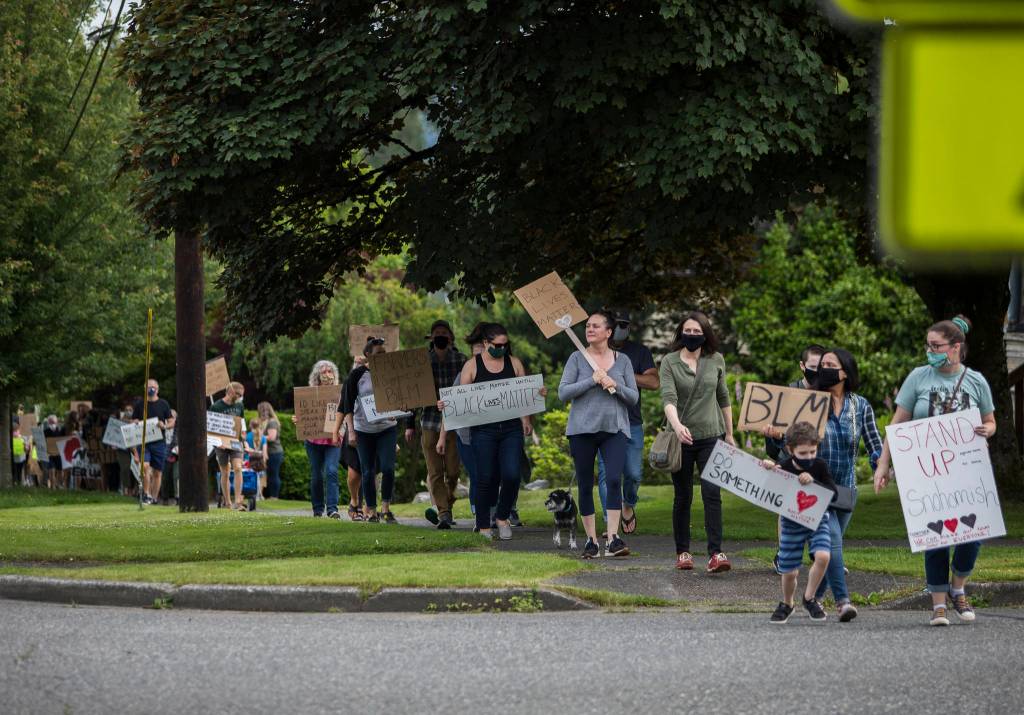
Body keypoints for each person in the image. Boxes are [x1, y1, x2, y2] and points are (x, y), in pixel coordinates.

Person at [874, 315, 996, 626]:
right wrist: (883, 463)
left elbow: (991, 421)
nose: (930, 351)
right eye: (928, 345)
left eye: (936, 345)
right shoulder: (918, 377)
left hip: (967, 472)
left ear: (955, 347)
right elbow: (897, 424)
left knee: (972, 535)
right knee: (935, 536)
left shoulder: (976, 381)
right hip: (927, 472)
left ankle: (958, 587)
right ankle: (939, 604)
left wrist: (987, 430)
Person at [769, 348, 881, 621]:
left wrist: (881, 467)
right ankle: (843, 602)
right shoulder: (809, 403)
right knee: (832, 544)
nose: (824, 368)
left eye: (831, 364)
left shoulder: (860, 405)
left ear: (845, 372)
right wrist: (774, 438)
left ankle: (814, 600)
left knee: (833, 546)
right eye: (823, 365)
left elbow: (874, 443)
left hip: (846, 489)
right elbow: (790, 443)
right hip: (816, 488)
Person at [559, 310, 639, 558]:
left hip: (614, 429)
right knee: (585, 484)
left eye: (595, 326)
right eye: (587, 326)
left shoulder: (622, 360)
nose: (589, 329)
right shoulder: (576, 358)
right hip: (582, 430)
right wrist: (591, 380)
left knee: (614, 479)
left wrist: (615, 384)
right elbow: (563, 392)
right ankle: (591, 541)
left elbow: (633, 398)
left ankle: (613, 538)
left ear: (608, 332)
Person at [660, 311, 735, 573]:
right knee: (683, 496)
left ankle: (716, 553)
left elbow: (723, 397)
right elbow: (668, 398)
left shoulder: (716, 360)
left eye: (697, 332)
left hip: (711, 436)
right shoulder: (669, 361)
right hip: (680, 438)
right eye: (687, 331)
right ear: (681, 333)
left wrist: (730, 434)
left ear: (706, 334)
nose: (692, 336)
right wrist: (678, 427)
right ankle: (683, 552)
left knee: (712, 494)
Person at [459, 323, 538, 539]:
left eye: (505, 344)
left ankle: (502, 517)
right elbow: (460, 400)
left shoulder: (515, 364)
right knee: (485, 477)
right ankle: (484, 525)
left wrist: (527, 417)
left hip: (511, 429)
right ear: (485, 343)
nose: (502, 348)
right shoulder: (471, 366)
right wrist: (445, 406)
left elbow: (525, 394)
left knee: (512, 475)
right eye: (497, 345)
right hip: (483, 431)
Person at [761, 422, 835, 623]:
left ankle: (809, 598)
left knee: (823, 556)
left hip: (817, 521)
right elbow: (771, 488)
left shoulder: (819, 465)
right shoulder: (784, 467)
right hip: (791, 523)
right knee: (789, 571)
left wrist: (814, 481)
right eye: (803, 453)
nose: (810, 457)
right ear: (790, 450)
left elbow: (833, 492)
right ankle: (787, 603)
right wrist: (768, 470)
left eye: (813, 451)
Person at [596, 309, 659, 534]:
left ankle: (628, 505)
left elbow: (653, 382)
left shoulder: (639, 352)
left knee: (633, 474)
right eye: (617, 324)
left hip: (631, 421)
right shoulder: (594, 353)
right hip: (605, 422)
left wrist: (622, 375)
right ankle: (609, 522)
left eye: (625, 324)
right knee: (607, 475)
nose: (621, 329)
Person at [412, 320, 467, 529]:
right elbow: (413, 395)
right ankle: (443, 512)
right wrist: (410, 423)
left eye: (444, 332)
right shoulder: (422, 362)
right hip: (429, 420)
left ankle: (447, 504)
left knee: (453, 470)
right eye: (437, 333)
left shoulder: (462, 360)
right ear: (431, 338)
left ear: (451, 337)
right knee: (435, 470)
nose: (441, 336)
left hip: (455, 421)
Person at [341, 339, 400, 523]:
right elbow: (347, 406)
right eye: (378, 353)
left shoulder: (393, 373)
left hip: (387, 429)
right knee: (367, 471)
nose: (382, 356)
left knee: (388, 468)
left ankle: (386, 509)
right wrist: (351, 431)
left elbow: (402, 398)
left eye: (384, 353)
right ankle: (371, 511)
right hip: (363, 430)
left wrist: (397, 412)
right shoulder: (357, 375)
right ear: (367, 355)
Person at [438, 323, 488, 521]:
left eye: (482, 353)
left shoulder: (501, 373)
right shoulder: (463, 375)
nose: (479, 358)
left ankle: (497, 512)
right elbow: (449, 406)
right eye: (475, 354)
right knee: (476, 475)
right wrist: (442, 438)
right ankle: (478, 514)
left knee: (492, 474)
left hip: (493, 434)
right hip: (467, 435)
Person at [294, 361, 342, 518]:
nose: (328, 374)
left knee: (332, 471)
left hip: (333, 441)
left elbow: (345, 416)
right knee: (316, 475)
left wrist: (340, 433)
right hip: (313, 442)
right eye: (324, 372)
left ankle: (333, 509)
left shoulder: (339, 393)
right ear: (317, 376)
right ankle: (317, 509)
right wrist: (297, 420)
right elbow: (303, 417)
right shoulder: (309, 394)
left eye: (330, 371)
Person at [763, 344, 826, 460]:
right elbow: (772, 449)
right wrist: (774, 436)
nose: (817, 372)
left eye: (820, 367)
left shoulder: (829, 399)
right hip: (789, 467)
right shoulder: (786, 396)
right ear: (802, 365)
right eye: (812, 367)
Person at [132, 378, 175, 505]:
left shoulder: (163, 404)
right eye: (148, 387)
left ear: (157, 389)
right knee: (144, 467)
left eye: (153, 387)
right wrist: (134, 422)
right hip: (144, 441)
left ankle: (155, 498)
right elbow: (133, 421)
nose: (151, 389)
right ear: (145, 389)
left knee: (157, 472)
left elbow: (172, 421)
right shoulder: (140, 405)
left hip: (159, 442)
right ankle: (146, 494)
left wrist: (165, 426)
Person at [210, 381, 247, 511]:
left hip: (235, 441)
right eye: (238, 394)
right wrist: (218, 442)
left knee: (237, 467)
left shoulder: (239, 406)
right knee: (224, 471)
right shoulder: (216, 407)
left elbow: (242, 422)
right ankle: (228, 502)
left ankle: (238, 501)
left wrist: (243, 435)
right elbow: (211, 427)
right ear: (230, 392)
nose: (240, 397)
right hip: (221, 444)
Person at [257, 401, 285, 500]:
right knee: (268, 475)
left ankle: (274, 496)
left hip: (274, 452)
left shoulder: (272, 422)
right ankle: (267, 495)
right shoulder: (266, 422)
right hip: (268, 452)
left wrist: (258, 436)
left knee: (274, 474)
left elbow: (272, 437)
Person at [245, 416, 268, 499]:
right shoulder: (263, 437)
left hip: (249, 461)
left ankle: (249, 493)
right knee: (261, 478)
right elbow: (265, 453)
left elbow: (246, 450)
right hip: (260, 461)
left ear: (250, 426)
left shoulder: (247, 436)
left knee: (249, 477)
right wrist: (264, 462)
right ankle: (260, 495)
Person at [42, 414, 64, 489]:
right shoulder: (45, 432)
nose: (52, 424)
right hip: (50, 454)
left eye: (54, 422)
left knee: (59, 470)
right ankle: (52, 486)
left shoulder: (60, 431)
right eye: (51, 422)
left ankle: (58, 484)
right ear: (48, 423)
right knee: (51, 470)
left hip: (58, 454)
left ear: (57, 422)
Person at [11, 419, 28, 486]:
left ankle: (18, 482)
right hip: (16, 458)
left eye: (16, 430)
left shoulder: (23, 438)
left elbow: (26, 448)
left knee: (18, 471)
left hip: (20, 458)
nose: (15, 432)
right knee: (16, 471)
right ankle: (16, 482)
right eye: (14, 431)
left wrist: (26, 447)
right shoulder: (10, 438)